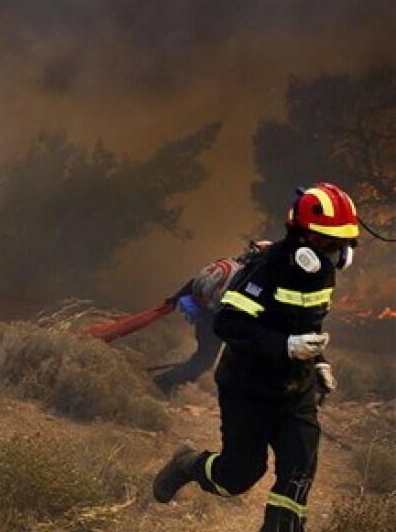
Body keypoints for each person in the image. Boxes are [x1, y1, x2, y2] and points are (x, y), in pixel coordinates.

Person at [153, 182, 360, 532]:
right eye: (329, 241)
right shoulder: (268, 268)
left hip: (297, 392)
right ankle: (187, 464)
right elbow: (229, 323)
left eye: (343, 242)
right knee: (236, 477)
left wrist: (319, 362)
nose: (337, 251)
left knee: (297, 476)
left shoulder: (322, 272)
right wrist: (285, 346)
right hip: (249, 388)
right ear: (303, 236)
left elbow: (307, 323)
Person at [151, 241, 271, 395]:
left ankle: (169, 384)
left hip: (207, 316)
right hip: (214, 319)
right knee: (205, 360)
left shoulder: (227, 263)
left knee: (205, 358)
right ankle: (164, 383)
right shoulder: (245, 277)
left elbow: (194, 282)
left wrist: (174, 299)